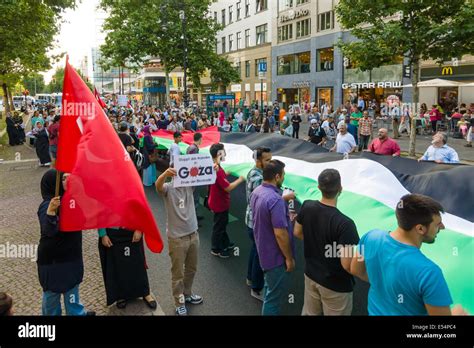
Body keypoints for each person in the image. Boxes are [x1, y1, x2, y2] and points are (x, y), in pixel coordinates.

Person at [350, 194, 467, 316]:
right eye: (437, 224)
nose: (442, 227)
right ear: (420, 229)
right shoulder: (429, 272)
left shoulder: (370, 237)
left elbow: (355, 269)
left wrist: (383, 283)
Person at [294, 169, 359, 315]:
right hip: (336, 286)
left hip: (310, 275)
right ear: (340, 189)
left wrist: (316, 241)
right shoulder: (345, 224)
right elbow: (347, 264)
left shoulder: (307, 206)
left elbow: (297, 232)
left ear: (318, 187)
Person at [37, 169, 94, 316]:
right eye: (63, 179)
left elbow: (83, 219)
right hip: (53, 262)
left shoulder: (72, 200)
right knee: (52, 297)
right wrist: (51, 212)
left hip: (71, 257)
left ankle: (77, 313)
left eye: (67, 177)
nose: (66, 181)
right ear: (51, 184)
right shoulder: (46, 205)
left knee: (72, 292)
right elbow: (49, 231)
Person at [156, 168, 203, 316]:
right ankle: (179, 301)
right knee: (177, 273)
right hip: (177, 238)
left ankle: (187, 294)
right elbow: (158, 186)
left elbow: (203, 176)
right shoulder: (168, 188)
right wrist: (164, 174)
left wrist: (214, 167)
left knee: (191, 269)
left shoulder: (189, 185)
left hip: (193, 235)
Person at [251, 160, 295, 315]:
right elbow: (280, 233)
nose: (284, 178)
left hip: (264, 252)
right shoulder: (275, 200)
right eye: (283, 175)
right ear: (277, 176)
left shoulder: (257, 192)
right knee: (273, 299)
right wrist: (289, 258)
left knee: (269, 289)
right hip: (275, 257)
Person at [98, 227, 156, 310]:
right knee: (117, 264)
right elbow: (99, 214)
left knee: (138, 262)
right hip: (113, 230)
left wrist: (140, 229)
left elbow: (142, 213)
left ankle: (145, 292)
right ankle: (120, 294)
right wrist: (103, 234)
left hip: (132, 228)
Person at [208, 143, 245, 258]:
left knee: (221, 224)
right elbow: (227, 187)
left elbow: (219, 178)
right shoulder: (217, 169)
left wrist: (226, 173)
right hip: (219, 203)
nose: (225, 154)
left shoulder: (214, 166)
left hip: (216, 201)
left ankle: (225, 243)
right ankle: (216, 248)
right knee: (219, 227)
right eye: (223, 152)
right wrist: (240, 179)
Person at [245, 147, 272, 301]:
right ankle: (257, 288)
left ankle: (250, 278)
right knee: (260, 255)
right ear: (258, 160)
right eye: (267, 160)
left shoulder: (258, 173)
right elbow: (263, 198)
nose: (270, 163)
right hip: (256, 223)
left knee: (255, 252)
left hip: (252, 221)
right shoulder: (257, 177)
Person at [186, 133, 204, 221]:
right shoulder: (194, 149)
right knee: (194, 197)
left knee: (193, 197)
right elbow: (193, 162)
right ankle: (193, 218)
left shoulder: (190, 147)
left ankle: (194, 215)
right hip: (193, 176)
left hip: (191, 175)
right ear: (200, 139)